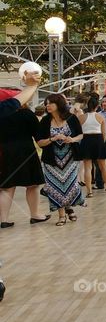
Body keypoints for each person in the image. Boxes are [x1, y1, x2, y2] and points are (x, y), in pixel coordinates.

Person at [0, 80, 49, 227]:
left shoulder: (1, 115)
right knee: (32, 185)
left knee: (7, 187)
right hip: (26, 151)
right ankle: (35, 215)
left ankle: (4, 220)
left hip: (5, 151)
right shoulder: (27, 114)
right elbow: (38, 135)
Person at [36, 93, 85, 226]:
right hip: (51, 160)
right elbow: (39, 142)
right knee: (55, 187)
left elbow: (80, 135)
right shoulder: (45, 121)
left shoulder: (71, 118)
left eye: (50, 103)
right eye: (46, 103)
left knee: (70, 185)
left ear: (58, 104)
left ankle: (69, 207)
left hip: (70, 158)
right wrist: (52, 138)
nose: (47, 106)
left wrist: (72, 139)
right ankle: (61, 215)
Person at [73, 93, 106, 197]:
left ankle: (89, 192)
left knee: (87, 167)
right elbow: (104, 133)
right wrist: (102, 143)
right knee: (104, 167)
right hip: (98, 140)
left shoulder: (81, 117)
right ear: (97, 106)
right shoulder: (101, 117)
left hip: (86, 140)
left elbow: (78, 132)